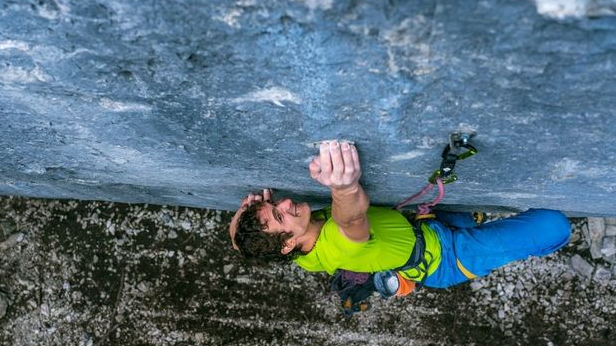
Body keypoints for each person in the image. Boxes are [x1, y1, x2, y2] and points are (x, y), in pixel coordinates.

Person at [229, 140, 571, 302]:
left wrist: (239, 227)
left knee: (469, 220)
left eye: (275, 203)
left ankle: (470, 221)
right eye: (279, 214)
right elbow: (352, 220)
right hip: (449, 259)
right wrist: (344, 186)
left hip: (425, 227)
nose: (286, 202)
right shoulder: (338, 246)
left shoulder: (300, 252)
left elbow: (251, 247)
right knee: (554, 226)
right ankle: (508, 237)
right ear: (288, 242)